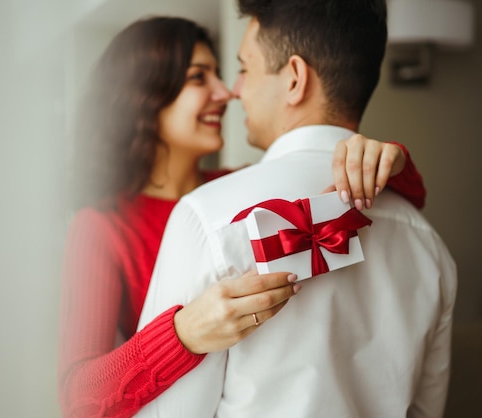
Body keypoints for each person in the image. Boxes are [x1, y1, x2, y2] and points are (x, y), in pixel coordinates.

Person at [58, 15, 428, 418]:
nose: (225, 92)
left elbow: (394, 209)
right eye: (200, 78)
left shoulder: (239, 191)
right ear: (144, 95)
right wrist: (181, 335)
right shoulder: (101, 225)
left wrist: (391, 160)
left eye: (222, 74)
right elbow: (76, 399)